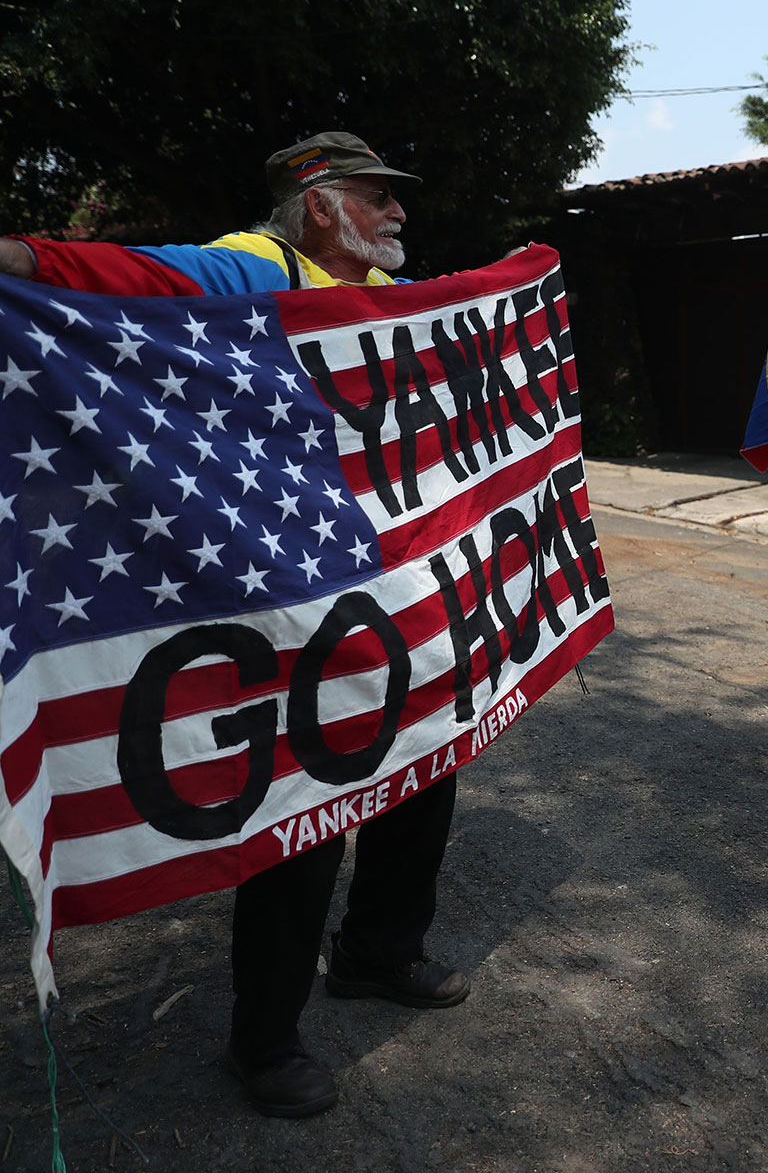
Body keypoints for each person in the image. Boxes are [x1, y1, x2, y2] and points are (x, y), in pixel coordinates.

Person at [4, 132, 467, 1119]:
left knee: (429, 758)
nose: (398, 215)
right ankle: (266, 1041)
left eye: (397, 200)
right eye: (377, 198)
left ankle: (381, 952)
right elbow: (138, 273)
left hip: (387, 586)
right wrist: (28, 261)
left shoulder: (399, 294)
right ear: (318, 206)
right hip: (291, 600)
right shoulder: (252, 265)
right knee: (308, 802)